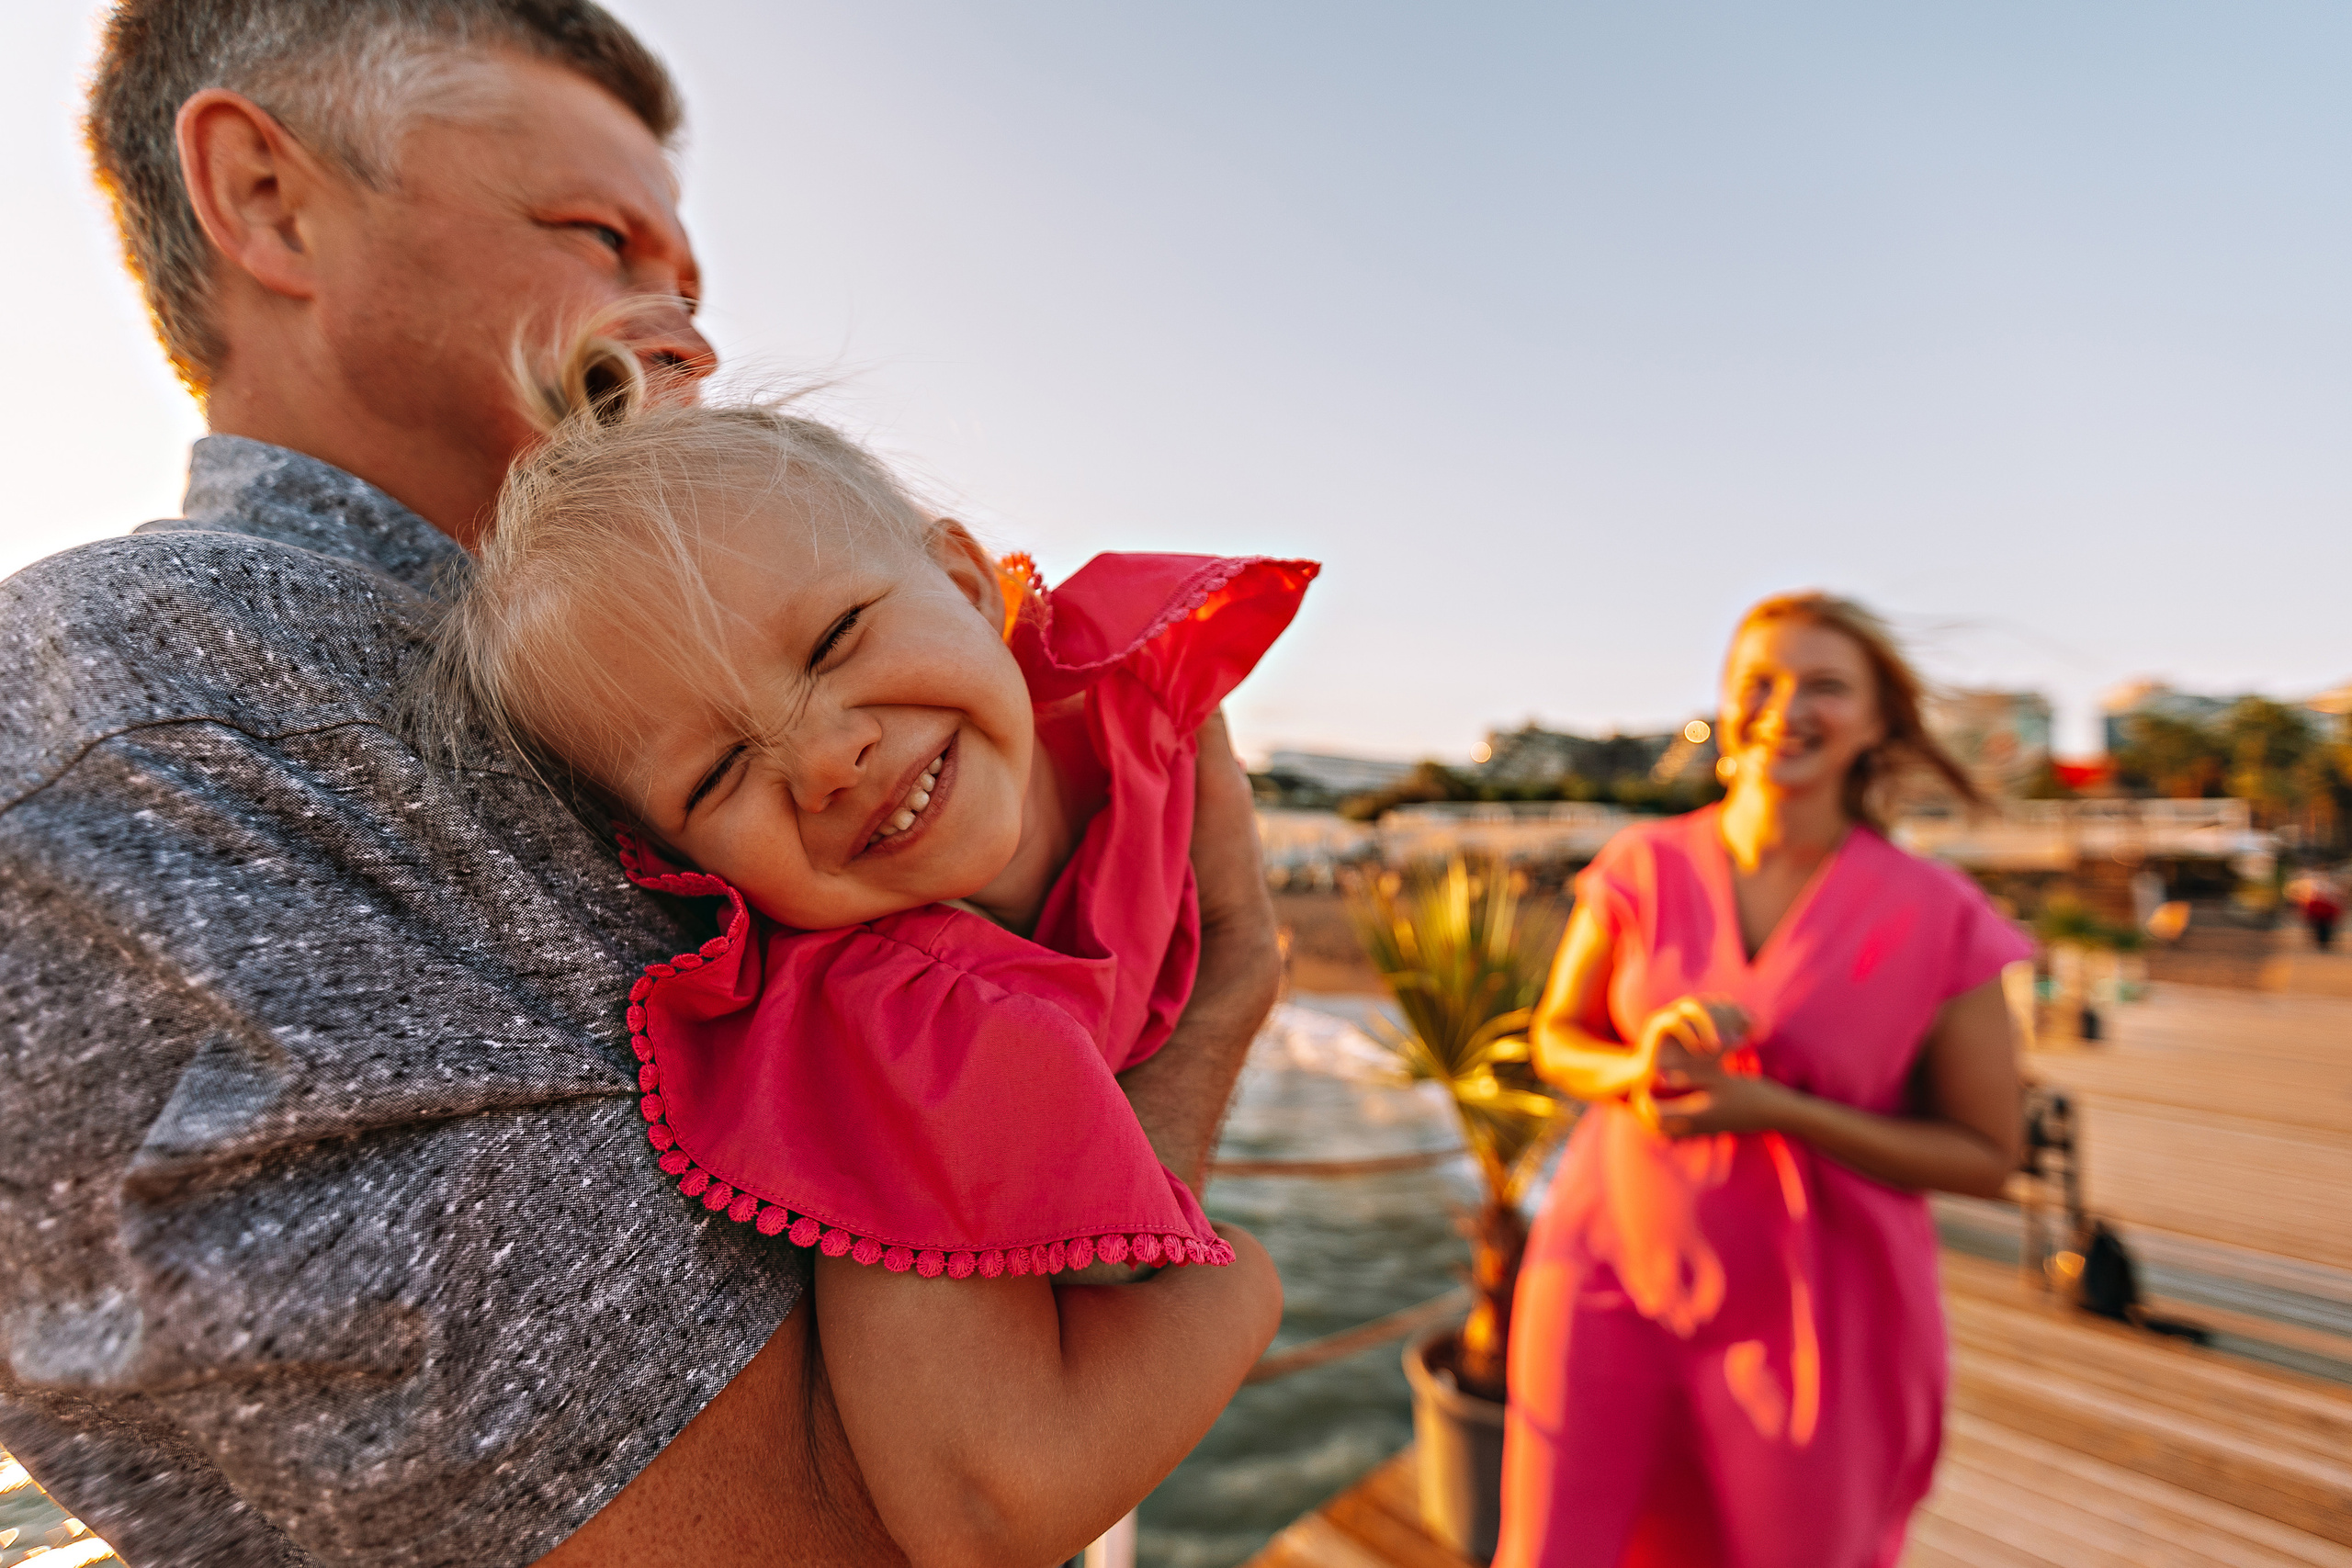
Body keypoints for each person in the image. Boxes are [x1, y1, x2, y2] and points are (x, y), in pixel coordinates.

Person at [0, 5, 1283, 1565]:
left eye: (688, 286)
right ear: (270, 201)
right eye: (599, 237)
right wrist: (1201, 1033)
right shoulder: (152, 705)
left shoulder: (632, 704)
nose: (682, 336)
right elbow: (829, 1535)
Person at [406, 355, 1315, 1283]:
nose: (826, 762)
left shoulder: (1140, 693)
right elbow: (1092, 1281)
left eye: (837, 639)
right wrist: (1240, 1289)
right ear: (679, 863)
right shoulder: (895, 1019)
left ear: (965, 584)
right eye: (718, 775)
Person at [1500, 592, 2029, 1568]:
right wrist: (1636, 1067)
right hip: (1605, 1277)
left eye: (1825, 685)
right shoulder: (1639, 864)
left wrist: (1776, 1110)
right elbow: (1557, 1039)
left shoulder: (1940, 915)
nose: (1785, 708)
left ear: (1876, 722)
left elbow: (1987, 1158)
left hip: (1818, 1324)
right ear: (1724, 705)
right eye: (1760, 683)